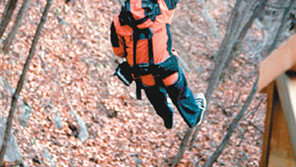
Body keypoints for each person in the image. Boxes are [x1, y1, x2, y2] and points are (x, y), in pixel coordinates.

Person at [110, 0, 206, 129]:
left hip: (144, 78)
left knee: (156, 96)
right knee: (177, 85)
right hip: (168, 72)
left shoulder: (117, 22)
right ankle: (193, 116)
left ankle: (166, 117)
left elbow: (119, 52)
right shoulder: (162, 6)